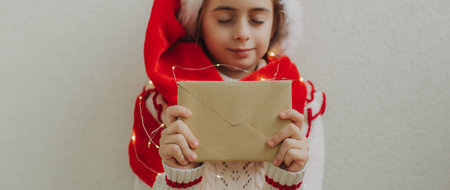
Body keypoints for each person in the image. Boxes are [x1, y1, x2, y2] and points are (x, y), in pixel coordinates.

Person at [128, 0, 327, 189]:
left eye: (257, 20)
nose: (242, 33)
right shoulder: (162, 105)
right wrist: (180, 177)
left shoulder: (303, 106)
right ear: (199, 21)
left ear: (275, 24)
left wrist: (286, 180)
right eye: (224, 19)